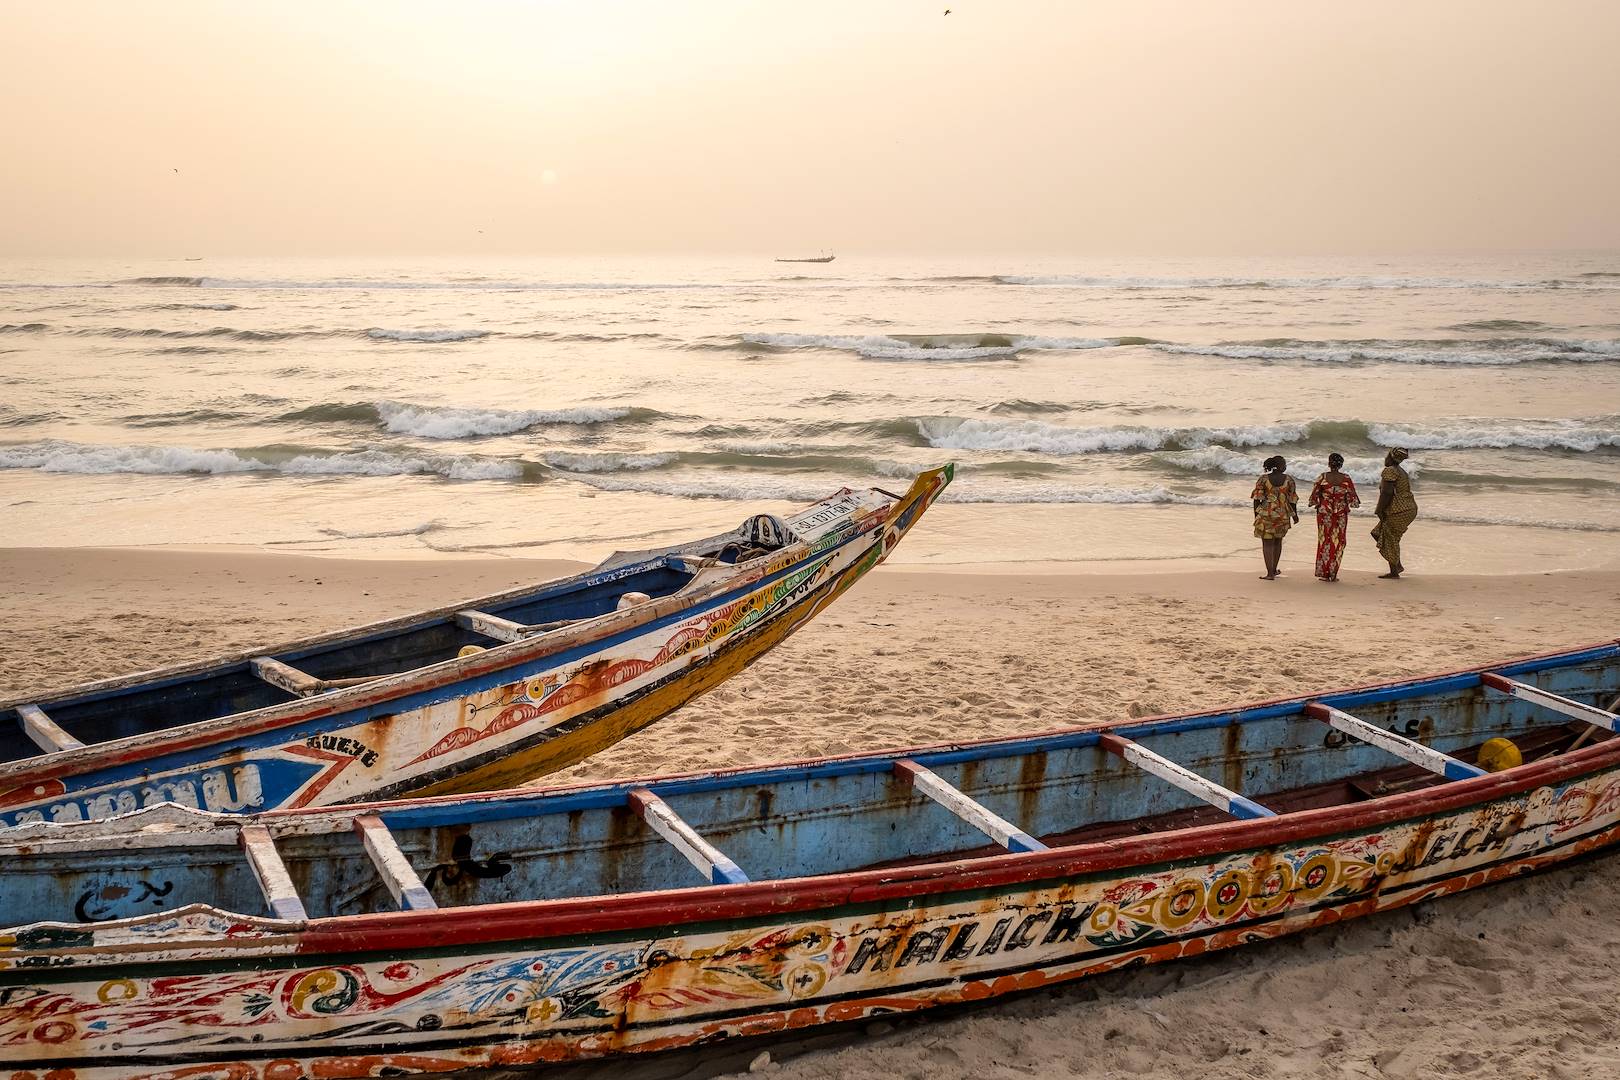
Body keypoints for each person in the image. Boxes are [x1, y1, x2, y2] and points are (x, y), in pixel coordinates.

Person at [1307, 453, 1360, 581]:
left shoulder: (1322, 477)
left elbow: (1314, 497)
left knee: (1324, 541)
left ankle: (1324, 573)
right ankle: (1333, 572)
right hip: (1341, 514)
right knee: (1339, 541)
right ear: (1341, 465)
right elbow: (1353, 499)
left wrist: (1320, 502)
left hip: (1324, 513)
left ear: (1329, 463)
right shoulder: (1346, 478)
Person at [1371, 448, 1417, 579]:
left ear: (1391, 457)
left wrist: (1379, 510)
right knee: (1378, 533)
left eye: (1387, 455)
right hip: (1408, 507)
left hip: (1399, 509)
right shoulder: (1400, 471)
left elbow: (1387, 493)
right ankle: (1397, 565)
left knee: (1390, 537)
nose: (1385, 458)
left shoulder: (1390, 470)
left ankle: (1394, 571)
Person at [1251, 455, 1298, 580]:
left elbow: (1257, 499)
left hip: (1266, 515)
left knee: (1267, 544)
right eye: (1284, 464)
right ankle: (1274, 569)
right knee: (1278, 542)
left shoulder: (1263, 479)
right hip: (1283, 515)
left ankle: (1270, 573)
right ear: (1280, 466)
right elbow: (1292, 500)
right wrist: (1295, 515)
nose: (1286, 466)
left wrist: (1256, 515)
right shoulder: (1289, 480)